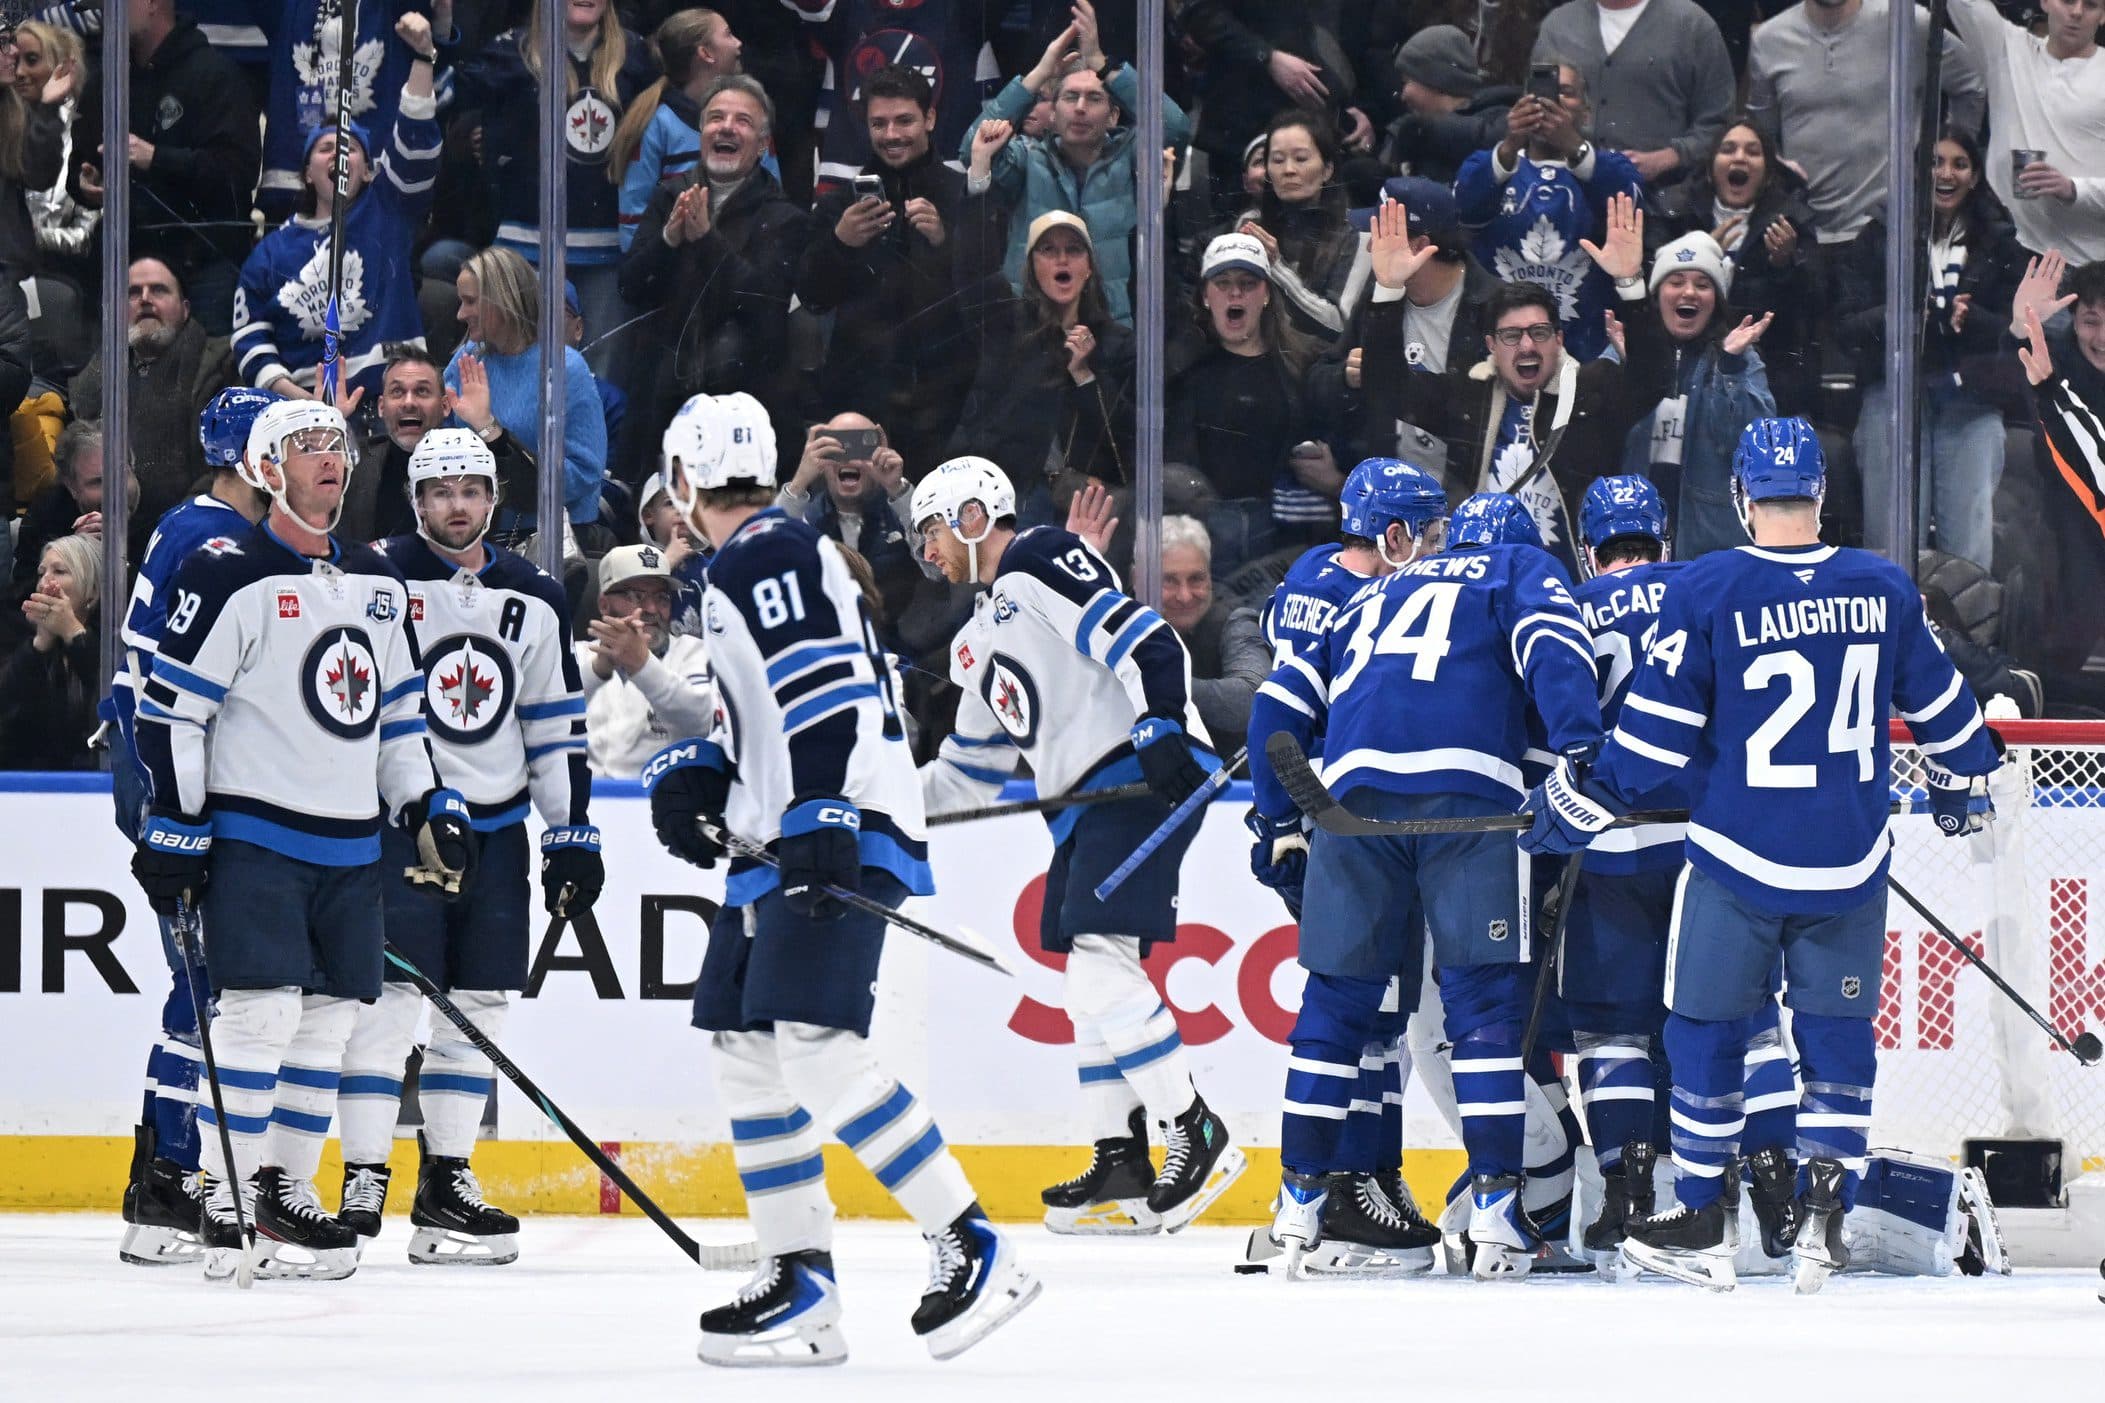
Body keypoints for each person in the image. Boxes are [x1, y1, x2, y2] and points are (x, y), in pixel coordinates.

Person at [1519, 417, 2000, 1292]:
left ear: (1741, 497)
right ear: (1820, 492)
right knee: (1833, 1036)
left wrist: (1580, 797)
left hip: (1738, 857)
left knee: (1705, 1026)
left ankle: (1702, 1211)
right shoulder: (1884, 586)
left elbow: (1656, 745)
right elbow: (1950, 716)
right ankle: (1824, 1210)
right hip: (1850, 862)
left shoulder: (1710, 586)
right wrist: (1962, 781)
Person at [644, 395, 1037, 1365]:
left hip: (830, 826)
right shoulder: (754, 558)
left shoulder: (763, 551)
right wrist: (709, 777)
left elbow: (822, 685)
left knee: (815, 1046)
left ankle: (972, 1241)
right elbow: (775, 708)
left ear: (684, 479)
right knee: (742, 1043)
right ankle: (800, 1279)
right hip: (783, 831)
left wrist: (816, 808)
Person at [129, 398, 477, 1282]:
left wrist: (426, 801)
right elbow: (173, 708)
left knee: (326, 1025)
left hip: (351, 844)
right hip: (256, 836)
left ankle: (284, 1192)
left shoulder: (372, 579)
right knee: (257, 1014)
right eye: (304, 445)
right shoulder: (224, 569)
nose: (329, 456)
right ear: (262, 468)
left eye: (336, 443)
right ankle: (226, 1192)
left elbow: (399, 714)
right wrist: (177, 819)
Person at [1244, 457, 1604, 1279]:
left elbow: (1276, 706)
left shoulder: (1364, 594)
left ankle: (1297, 1207)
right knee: (1481, 1011)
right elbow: (1554, 653)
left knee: (1335, 1003)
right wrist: (1583, 758)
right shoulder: (1514, 566)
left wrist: (1273, 819)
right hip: (1469, 800)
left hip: (1351, 802)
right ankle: (1497, 1217)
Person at [914, 455, 1245, 1238]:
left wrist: (1162, 720)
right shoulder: (975, 639)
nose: (924, 550)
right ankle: (1122, 1153)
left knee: (1099, 956)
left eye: (930, 529)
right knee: (1087, 972)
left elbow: (1147, 638)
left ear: (970, 515)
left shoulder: (1033, 556)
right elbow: (965, 772)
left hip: (1137, 777)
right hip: (1085, 805)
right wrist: (873, 806)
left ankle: (1193, 1129)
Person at [338, 428, 599, 1266]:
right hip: (399, 827)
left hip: (496, 832)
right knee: (385, 1007)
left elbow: (553, 727)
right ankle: (363, 1174)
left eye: (471, 490)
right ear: (415, 500)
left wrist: (568, 832)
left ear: (493, 498)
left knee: (477, 1010)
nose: (457, 505)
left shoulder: (533, 594)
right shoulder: (376, 579)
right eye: (439, 491)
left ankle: (447, 1180)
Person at [1559, 472, 1799, 1270]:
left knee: (1613, 1029)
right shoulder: (1705, 587)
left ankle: (1625, 1195)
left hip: (1610, 840)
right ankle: (1775, 1183)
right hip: (1710, 840)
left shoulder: (1570, 605)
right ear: (1661, 540)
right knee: (1746, 1016)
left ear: (1589, 550)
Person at [1242, 459, 1452, 1277]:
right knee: (1365, 1011)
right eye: (1430, 533)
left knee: (1381, 1012)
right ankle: (1343, 1186)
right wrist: (1291, 822)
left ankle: (1369, 1177)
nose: (1439, 550)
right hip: (1348, 821)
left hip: (1327, 816)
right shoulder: (1361, 595)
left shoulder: (1308, 573)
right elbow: (1284, 706)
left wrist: (1276, 820)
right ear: (1395, 532)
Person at [105, 386, 276, 1269]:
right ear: (250, 459)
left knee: (211, 982)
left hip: (170, 771)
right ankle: (170, 1183)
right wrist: (174, 809)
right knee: (208, 986)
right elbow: (167, 690)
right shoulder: (214, 539)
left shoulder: (197, 527)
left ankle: (167, 1185)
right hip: (168, 776)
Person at [1355, 200, 1628, 569]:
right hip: (1482, 587)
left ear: (1559, 340)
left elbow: (1651, 381)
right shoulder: (1469, 397)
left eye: (1540, 332)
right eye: (1512, 335)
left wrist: (1631, 286)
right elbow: (1387, 387)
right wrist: (1388, 290)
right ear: (1491, 346)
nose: (1527, 345)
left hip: (1571, 588)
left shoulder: (1591, 392)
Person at [1838, 126, 2027, 570]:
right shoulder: (1879, 234)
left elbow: (2019, 332)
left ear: (1976, 176)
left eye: (1959, 163)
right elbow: (1844, 326)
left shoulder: (2002, 245)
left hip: (1972, 399)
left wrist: (1974, 321)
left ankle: (1967, 635)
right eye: (1935, 162)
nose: (1946, 173)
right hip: (1894, 393)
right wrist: (1899, 317)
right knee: (1891, 540)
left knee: (1968, 543)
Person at [232, 14, 439, 407]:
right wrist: (304, 401)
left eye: (352, 148)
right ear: (307, 173)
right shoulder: (271, 253)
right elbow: (249, 340)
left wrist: (423, 57)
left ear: (367, 169)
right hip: (305, 412)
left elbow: (415, 142)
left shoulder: (389, 211)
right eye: (326, 148)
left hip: (393, 402)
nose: (340, 153)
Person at [446, 0, 656, 385]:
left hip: (608, 250)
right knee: (521, 363)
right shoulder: (512, 50)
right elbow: (447, 97)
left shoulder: (636, 55)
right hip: (526, 246)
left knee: (603, 372)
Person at [620, 74, 814, 474]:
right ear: (701, 132)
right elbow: (630, 287)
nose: (726, 127)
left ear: (762, 146)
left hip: (743, 404)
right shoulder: (669, 197)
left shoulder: (784, 217)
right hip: (662, 402)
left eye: (742, 120)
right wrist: (669, 239)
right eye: (716, 118)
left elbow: (763, 308)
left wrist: (706, 240)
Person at [795, 64, 982, 475]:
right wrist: (841, 243)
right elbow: (810, 297)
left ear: (930, 119)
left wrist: (944, 244)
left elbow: (991, 302)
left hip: (946, 408)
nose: (892, 134)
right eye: (879, 123)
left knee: (940, 524)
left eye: (904, 121)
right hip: (857, 405)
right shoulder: (837, 205)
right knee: (851, 515)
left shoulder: (963, 197)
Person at [962, 2, 1192, 324]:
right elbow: (971, 147)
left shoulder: (1130, 155)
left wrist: (1102, 63)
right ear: (1052, 114)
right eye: (1070, 97)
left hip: (1113, 335)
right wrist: (1041, 72)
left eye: (1095, 98)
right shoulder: (1027, 158)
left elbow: (1176, 126)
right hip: (1032, 333)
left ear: (1114, 116)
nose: (1080, 108)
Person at [74, 0, 262, 334]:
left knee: (204, 378)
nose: (105, 12)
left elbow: (238, 171)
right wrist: (87, 182)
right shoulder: (106, 79)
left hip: (201, 267)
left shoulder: (215, 75)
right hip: (124, 265)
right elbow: (82, 163)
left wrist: (156, 158)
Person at [1598, 222, 1778, 560]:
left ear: (1717, 300)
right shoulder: (1623, 349)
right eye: (1676, 282)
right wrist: (1631, 373)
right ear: (1657, 295)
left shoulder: (1739, 357)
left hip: (1712, 548)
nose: (1689, 293)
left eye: (1703, 284)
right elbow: (1600, 443)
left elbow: (1751, 448)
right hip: (1635, 539)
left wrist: (1730, 367)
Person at [1745, 0, 1984, 254]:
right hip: (1803, 237)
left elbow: (1970, 86)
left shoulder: (1906, 24)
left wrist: (1950, 157)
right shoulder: (1768, 40)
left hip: (1887, 235)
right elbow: (1762, 138)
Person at [947, 211, 1133, 522]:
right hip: (1011, 496)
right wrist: (978, 185)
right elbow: (972, 271)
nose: (1062, 260)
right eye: (1048, 250)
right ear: (1033, 267)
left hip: (1086, 502)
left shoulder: (1116, 342)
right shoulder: (1005, 326)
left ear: (1089, 268)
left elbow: (1127, 438)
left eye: (1074, 250)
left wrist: (1084, 376)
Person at [1453, 61, 1644, 362]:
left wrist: (1573, 146)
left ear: (1586, 110)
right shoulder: (1490, 164)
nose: (1551, 102)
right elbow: (1464, 207)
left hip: (1585, 351)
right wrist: (1509, 144)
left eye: (1565, 93)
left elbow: (1626, 202)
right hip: (1500, 351)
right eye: (1541, 93)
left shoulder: (1611, 168)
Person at [1166, 231, 1327, 567]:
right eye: (1222, 282)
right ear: (1206, 296)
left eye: (1248, 282)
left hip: (1283, 535)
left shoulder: (1304, 361)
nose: (1235, 292)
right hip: (1206, 531)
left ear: (1267, 294)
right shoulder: (1184, 367)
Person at [1654, 120, 1822, 416]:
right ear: (1710, 168)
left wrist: (1784, 265)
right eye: (1728, 149)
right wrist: (1697, 253)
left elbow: (1817, 300)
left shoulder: (1792, 220)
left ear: (1768, 174)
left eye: (1753, 151)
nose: (1740, 158)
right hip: (1681, 369)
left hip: (1769, 373)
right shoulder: (1676, 213)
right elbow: (1651, 290)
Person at [448, 246, 608, 538]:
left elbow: (584, 473)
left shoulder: (565, 368)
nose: (460, 314)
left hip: (553, 539)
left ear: (502, 299)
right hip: (473, 535)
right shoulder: (468, 358)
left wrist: (491, 433)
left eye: (470, 302)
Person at [69, 256, 235, 533]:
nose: (145, 299)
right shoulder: (93, 380)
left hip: (193, 530)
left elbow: (224, 472)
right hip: (111, 532)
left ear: (185, 309)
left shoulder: (221, 367)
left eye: (159, 290)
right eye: (133, 293)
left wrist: (175, 529)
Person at [1944, 0, 2105, 266]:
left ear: (2103, 16)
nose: (2076, 12)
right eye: (2067, 0)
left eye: (2090, 5)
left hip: (2088, 268)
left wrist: (2074, 189)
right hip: (2007, 253)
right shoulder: (2007, 49)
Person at [346, 344, 538, 543]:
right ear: (381, 407)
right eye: (397, 392)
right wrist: (326, 426)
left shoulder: (472, 457)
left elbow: (533, 498)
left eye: (422, 391)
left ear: (445, 406)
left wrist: (485, 424)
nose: (409, 402)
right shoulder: (356, 459)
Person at [1530, 0, 1735, 186]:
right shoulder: (1557, 26)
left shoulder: (1693, 25)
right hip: (1568, 196)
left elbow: (1720, 124)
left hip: (1662, 203)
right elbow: (1535, 112)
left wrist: (1672, 156)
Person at [610, 7, 749, 251]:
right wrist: (646, 271)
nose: (738, 43)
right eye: (728, 34)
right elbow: (634, 218)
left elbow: (771, 201)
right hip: (673, 277)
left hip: (734, 271)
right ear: (706, 53)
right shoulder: (657, 124)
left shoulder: (752, 118)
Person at [1232, 110, 1370, 344]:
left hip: (1319, 366)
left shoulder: (1355, 237)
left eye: (1301, 159)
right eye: (1277, 160)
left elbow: (1338, 324)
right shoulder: (1250, 224)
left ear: (1327, 170)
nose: (1288, 170)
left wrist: (1276, 266)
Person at [579, 542, 714, 778]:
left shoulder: (695, 653)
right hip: (580, 806)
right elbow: (542, 724)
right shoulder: (577, 655)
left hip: (660, 804)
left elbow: (702, 724)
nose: (652, 608)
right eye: (636, 596)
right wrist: (598, 671)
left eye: (662, 597)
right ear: (604, 604)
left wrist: (641, 664)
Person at [775, 414, 919, 631]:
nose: (848, 460)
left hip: (902, 651)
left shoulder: (899, 513)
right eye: (836, 449)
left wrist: (897, 489)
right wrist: (799, 482)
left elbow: (937, 568)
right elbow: (769, 557)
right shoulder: (808, 520)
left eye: (861, 449)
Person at [1157, 514, 1267, 751]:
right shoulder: (1120, 618)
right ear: (1139, 579)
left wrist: (1156, 680)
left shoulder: (1237, 620)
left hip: (1226, 781)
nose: (1184, 596)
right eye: (1169, 581)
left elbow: (1252, 702)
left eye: (1196, 579)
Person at [0, 531, 100, 769]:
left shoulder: (115, 639)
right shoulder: (16, 633)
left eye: (59, 571)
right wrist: (40, 644)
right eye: (41, 572)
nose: (46, 582)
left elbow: (110, 700)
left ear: (93, 591)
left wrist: (74, 634)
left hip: (93, 780)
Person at [1382, 24, 1510, 188]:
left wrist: (1427, 129)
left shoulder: (1499, 122)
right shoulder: (1404, 131)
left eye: (1406, 81)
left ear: (1436, 81)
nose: (1403, 95)